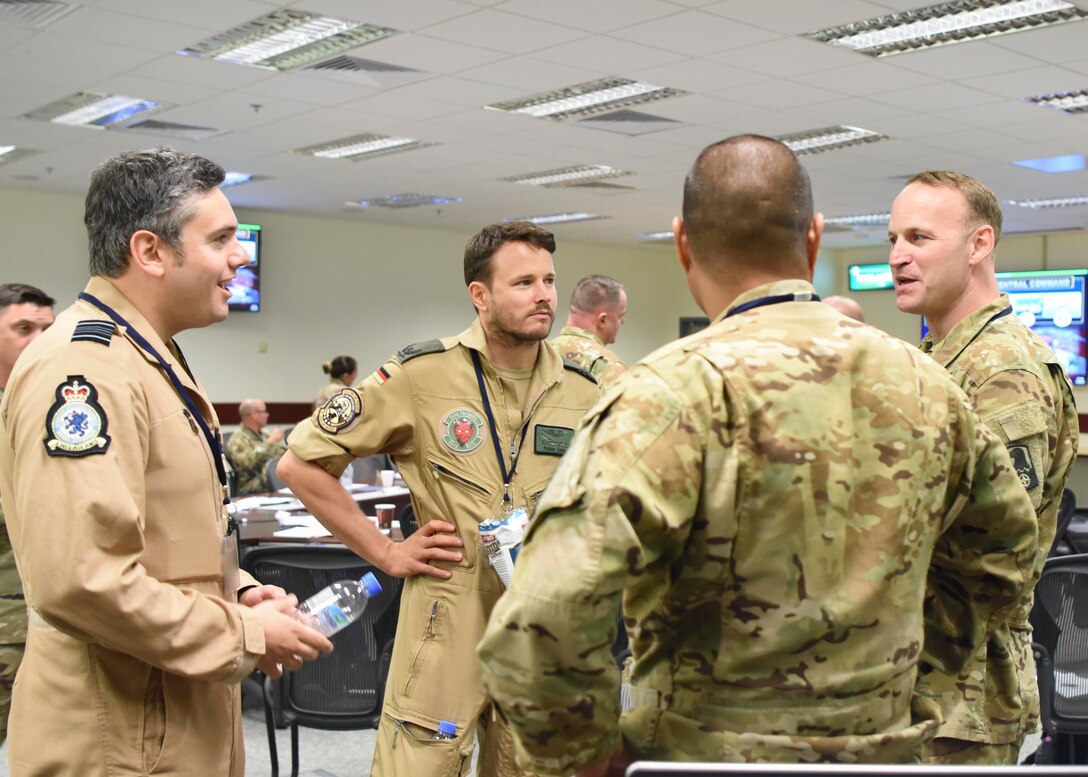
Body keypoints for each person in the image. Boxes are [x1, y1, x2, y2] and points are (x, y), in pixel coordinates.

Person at [477, 134, 1039, 775]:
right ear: (815, 239)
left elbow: (539, 620)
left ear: (683, 242)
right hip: (885, 756)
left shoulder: (664, 395)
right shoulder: (927, 384)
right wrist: (913, 682)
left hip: (702, 759)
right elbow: (1004, 554)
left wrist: (596, 757)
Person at [0, 147, 331, 776]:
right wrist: (246, 635)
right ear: (150, 251)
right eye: (222, 239)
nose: (241, 257)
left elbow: (170, 542)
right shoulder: (85, 370)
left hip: (170, 717)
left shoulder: (149, 357)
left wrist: (245, 593)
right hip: (120, 740)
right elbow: (82, 580)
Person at [278, 221, 600, 777]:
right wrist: (386, 553)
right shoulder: (421, 376)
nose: (544, 294)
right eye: (523, 282)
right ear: (481, 295)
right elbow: (301, 464)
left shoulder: (584, 389)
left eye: (549, 280)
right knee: (423, 761)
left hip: (544, 617)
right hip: (448, 607)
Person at [888, 170, 1078, 764]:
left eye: (919, 238)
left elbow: (993, 558)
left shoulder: (1002, 373)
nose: (898, 257)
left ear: (979, 244)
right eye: (893, 239)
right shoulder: (941, 360)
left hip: (955, 694)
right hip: (912, 681)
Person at [0, 283, 55, 743]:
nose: (39, 339)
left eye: (46, 328)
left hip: (44, 611)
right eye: (23, 329)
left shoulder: (51, 407)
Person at [550, 275, 628, 387]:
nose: (622, 322)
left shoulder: (540, 353)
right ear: (603, 320)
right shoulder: (611, 368)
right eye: (620, 316)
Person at [226, 397, 287, 494]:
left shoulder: (264, 434)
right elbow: (247, 463)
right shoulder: (238, 439)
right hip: (251, 483)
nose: (267, 415)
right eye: (264, 411)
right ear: (253, 415)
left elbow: (281, 454)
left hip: (270, 476)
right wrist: (270, 442)